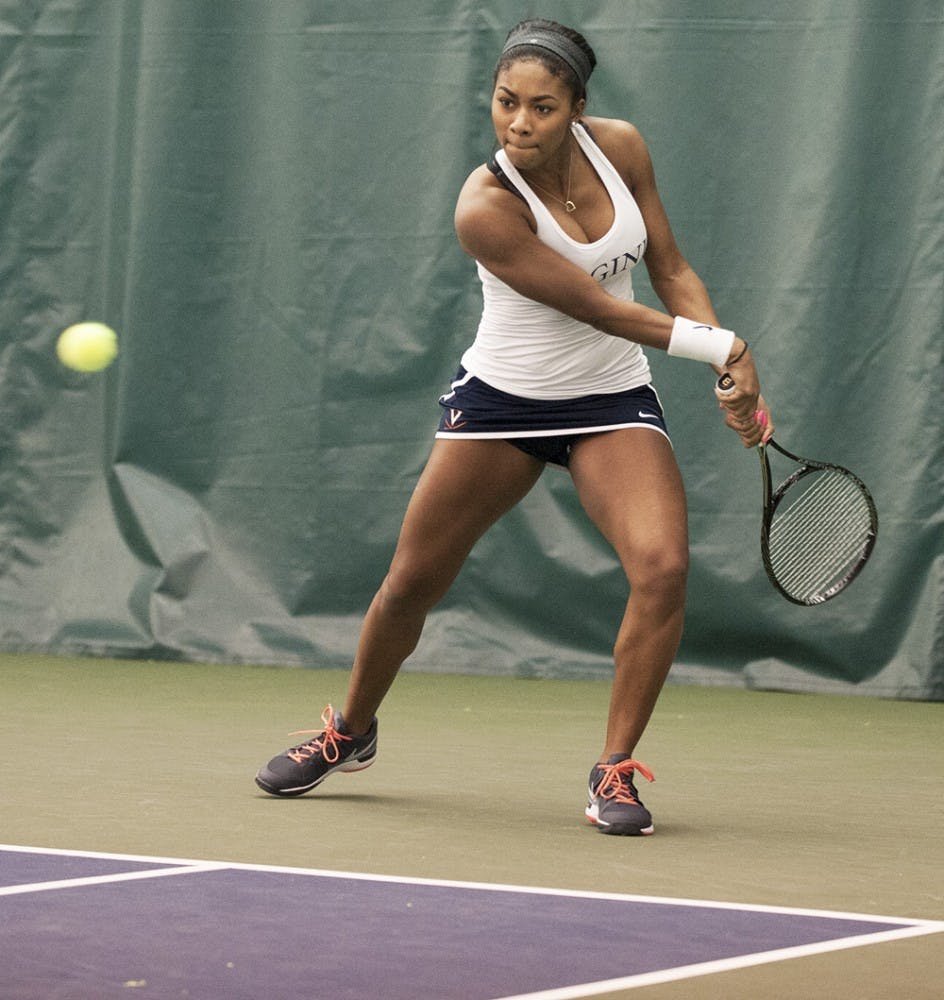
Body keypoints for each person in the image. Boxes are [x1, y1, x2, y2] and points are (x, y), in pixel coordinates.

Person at [255, 19, 773, 836]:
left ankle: (615, 769)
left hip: (609, 401)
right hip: (503, 403)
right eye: (506, 103)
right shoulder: (484, 208)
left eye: (541, 107)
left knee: (664, 567)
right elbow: (600, 306)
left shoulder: (624, 149)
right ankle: (350, 731)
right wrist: (724, 345)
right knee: (409, 587)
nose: (520, 123)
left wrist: (724, 367)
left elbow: (667, 267)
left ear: (577, 108)